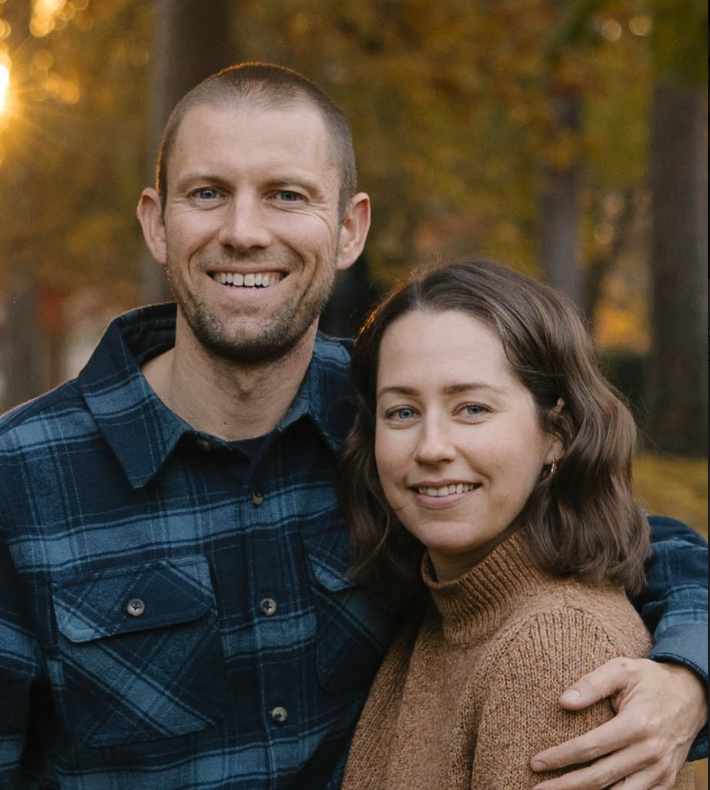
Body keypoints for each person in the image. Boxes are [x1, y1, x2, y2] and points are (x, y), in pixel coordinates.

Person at [0, 62, 706, 790]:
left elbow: (627, 544)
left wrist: (691, 672)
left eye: (287, 196)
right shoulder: (22, 477)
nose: (244, 232)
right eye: (208, 193)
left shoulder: (397, 419)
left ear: (348, 229)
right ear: (157, 222)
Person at [335, 258, 702, 789]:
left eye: (473, 408)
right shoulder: (443, 608)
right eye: (402, 412)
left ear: (556, 432)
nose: (432, 447)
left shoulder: (552, 650)